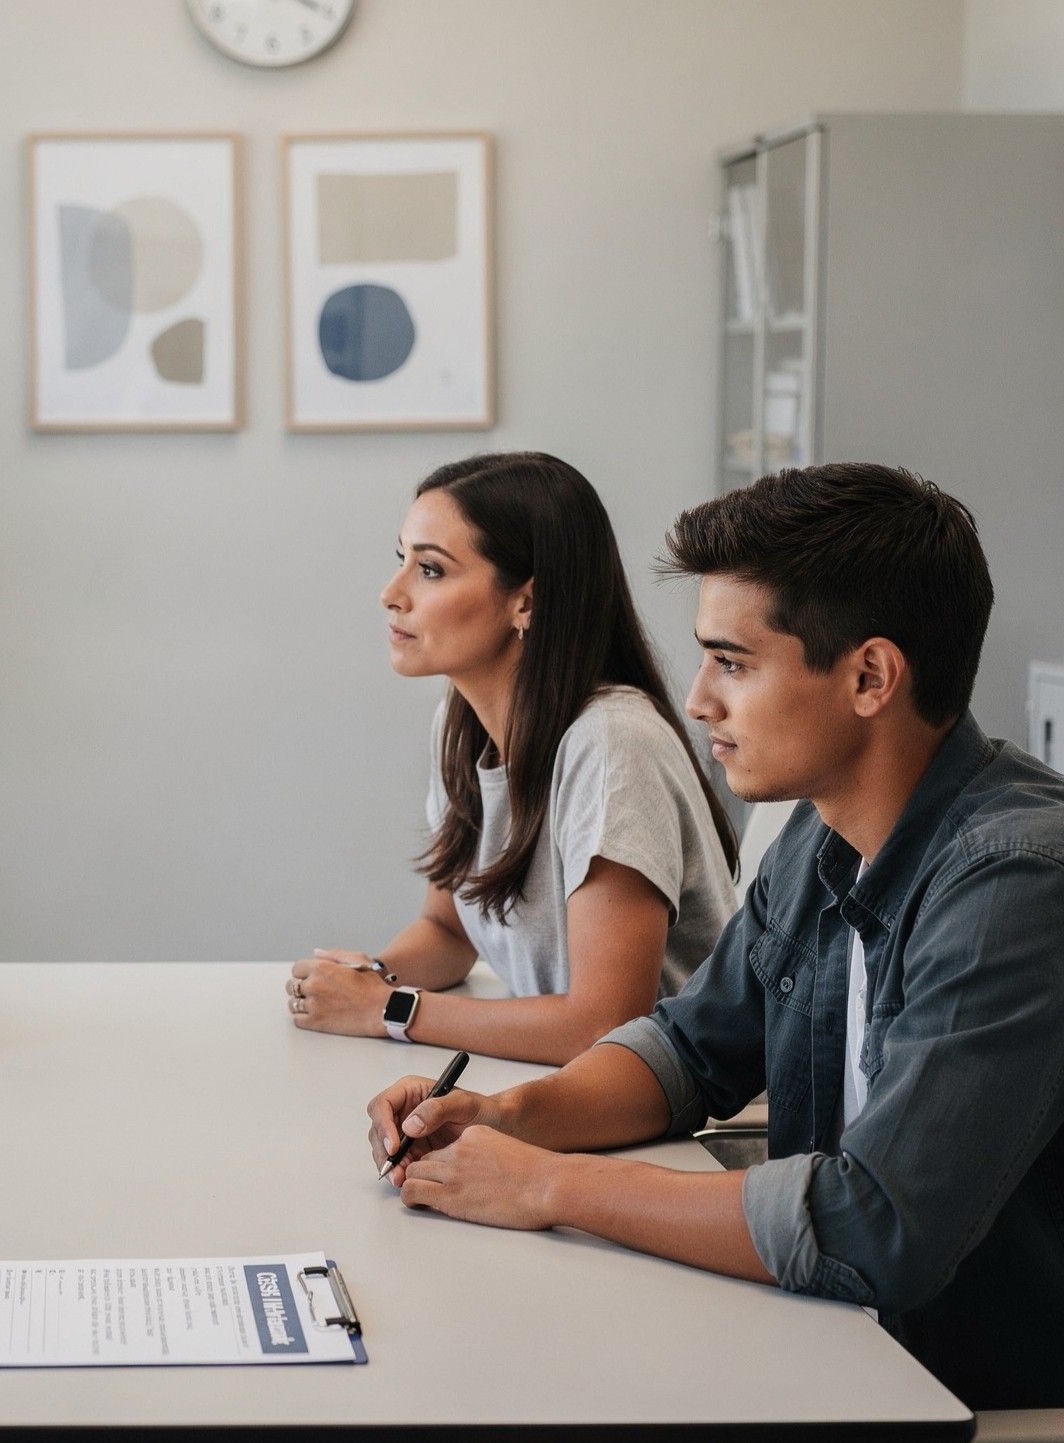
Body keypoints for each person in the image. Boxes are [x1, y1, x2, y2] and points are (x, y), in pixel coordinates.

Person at [365, 464, 1064, 1410]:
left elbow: (874, 1224)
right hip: (848, 1351)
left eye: (732, 663)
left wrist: (547, 1186)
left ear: (870, 677)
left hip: (975, 1391)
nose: (697, 701)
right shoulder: (823, 832)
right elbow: (690, 1047)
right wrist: (508, 1118)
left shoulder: (1015, 881)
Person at [287, 453, 737, 1064]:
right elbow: (448, 934)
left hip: (682, 1112)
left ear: (526, 602)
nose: (392, 594)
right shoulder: (464, 723)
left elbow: (604, 1025)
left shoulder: (612, 743)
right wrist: (373, 976)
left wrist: (387, 1010)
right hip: (574, 1091)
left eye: (431, 570)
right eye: (403, 561)